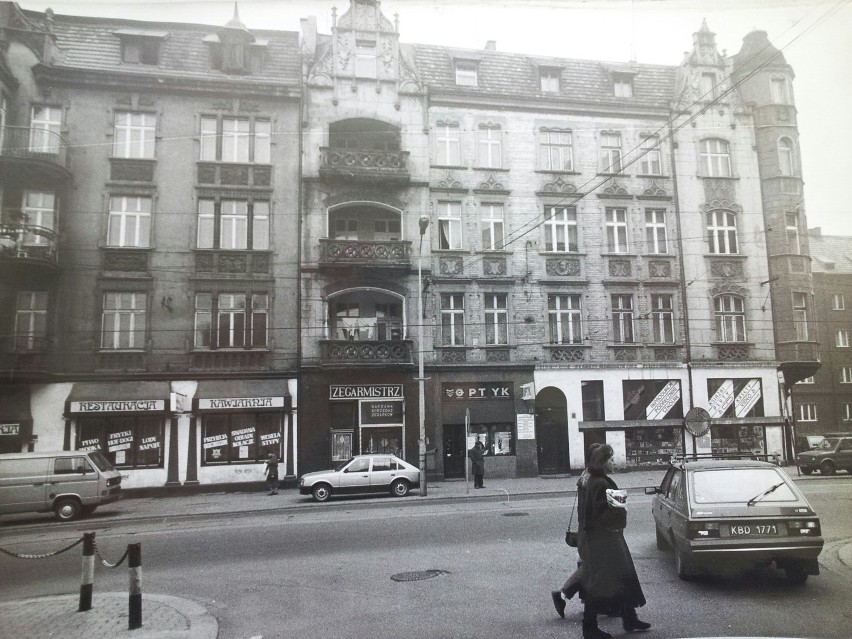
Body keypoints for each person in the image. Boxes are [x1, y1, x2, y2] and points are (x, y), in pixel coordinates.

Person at [576, 444, 650, 639]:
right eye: (610, 459)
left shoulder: (595, 480)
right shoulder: (600, 483)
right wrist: (620, 508)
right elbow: (606, 515)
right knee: (600, 582)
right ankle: (589, 627)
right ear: (602, 462)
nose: (613, 462)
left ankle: (629, 617)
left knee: (622, 577)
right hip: (605, 540)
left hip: (603, 539)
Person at [551, 443, 602, 619]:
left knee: (590, 565)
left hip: (585, 529)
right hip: (590, 530)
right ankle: (563, 594)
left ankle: (597, 601)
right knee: (591, 565)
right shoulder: (591, 478)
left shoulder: (585, 475)